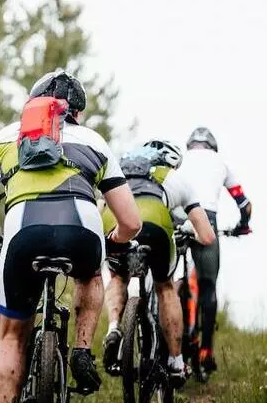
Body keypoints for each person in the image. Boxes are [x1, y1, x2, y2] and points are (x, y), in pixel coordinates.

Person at [0, 70, 141, 403]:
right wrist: (112, 240)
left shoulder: (4, 137)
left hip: (22, 232)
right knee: (90, 275)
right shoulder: (94, 140)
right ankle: (80, 350)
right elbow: (130, 221)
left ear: (32, 103)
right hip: (81, 228)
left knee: (11, 334)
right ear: (76, 111)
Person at [101, 140, 215, 388]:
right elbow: (207, 236)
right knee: (165, 286)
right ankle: (175, 362)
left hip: (115, 220)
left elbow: (101, 206)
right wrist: (193, 233)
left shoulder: (119, 170)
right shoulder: (175, 179)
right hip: (155, 223)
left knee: (118, 276)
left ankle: (113, 328)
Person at [176, 127, 252, 374]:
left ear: (190, 145)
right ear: (212, 147)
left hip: (176, 215)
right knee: (208, 285)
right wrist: (242, 226)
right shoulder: (221, 162)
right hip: (205, 218)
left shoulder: (179, 158)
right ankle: (206, 351)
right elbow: (245, 204)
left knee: (168, 280)